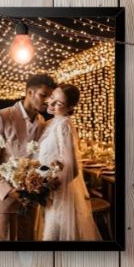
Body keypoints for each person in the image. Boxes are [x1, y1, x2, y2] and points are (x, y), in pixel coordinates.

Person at [0, 74, 56, 241]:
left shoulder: (42, 120)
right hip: (5, 199)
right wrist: (8, 190)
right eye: (43, 95)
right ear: (30, 92)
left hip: (32, 198)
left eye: (50, 97)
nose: (47, 101)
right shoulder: (1, 117)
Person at [37, 84, 102, 241]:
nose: (51, 105)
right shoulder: (52, 122)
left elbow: (72, 168)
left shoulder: (63, 125)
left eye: (59, 104)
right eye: (52, 97)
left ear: (70, 107)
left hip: (60, 197)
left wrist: (50, 187)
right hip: (50, 194)